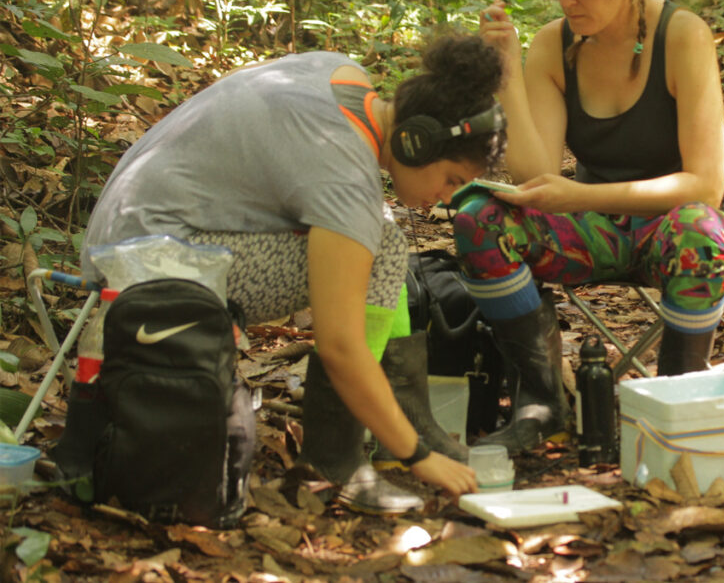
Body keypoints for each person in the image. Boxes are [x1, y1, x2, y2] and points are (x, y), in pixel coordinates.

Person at [81, 35, 506, 512]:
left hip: (127, 236)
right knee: (383, 247)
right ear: (416, 139)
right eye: (450, 179)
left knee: (375, 234)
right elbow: (340, 343)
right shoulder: (344, 174)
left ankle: (352, 445)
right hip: (142, 270)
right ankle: (338, 464)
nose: (446, 198)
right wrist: (418, 455)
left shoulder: (339, 71)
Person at [451, 0, 724, 455]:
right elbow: (537, 176)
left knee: (697, 229)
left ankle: (677, 405)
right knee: (480, 217)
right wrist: (509, 75)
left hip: (688, 227)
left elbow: (706, 187)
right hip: (600, 228)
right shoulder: (553, 45)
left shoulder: (683, 36)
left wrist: (580, 194)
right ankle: (543, 404)